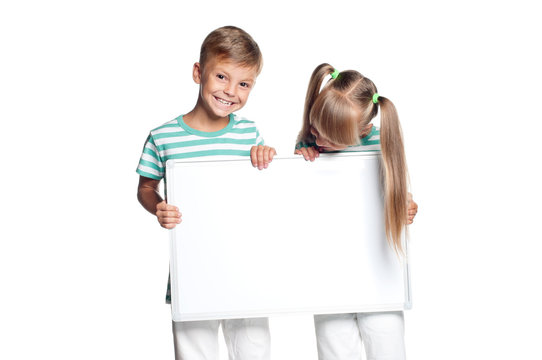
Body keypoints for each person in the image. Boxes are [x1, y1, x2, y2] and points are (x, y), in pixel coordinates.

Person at [136, 26, 275, 360]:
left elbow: (266, 190)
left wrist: (265, 156)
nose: (231, 91)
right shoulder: (163, 136)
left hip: (245, 269)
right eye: (222, 77)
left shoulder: (250, 133)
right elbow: (146, 187)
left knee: (253, 352)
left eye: (244, 84)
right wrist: (159, 207)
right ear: (199, 73)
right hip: (192, 270)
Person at [295, 63, 418, 360]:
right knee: (334, 345)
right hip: (329, 273)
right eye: (315, 129)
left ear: (362, 131)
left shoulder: (381, 145)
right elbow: (299, 207)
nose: (319, 140)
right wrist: (299, 160)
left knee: (386, 341)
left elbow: (398, 195)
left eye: (331, 137)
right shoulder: (310, 147)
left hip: (377, 271)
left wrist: (407, 205)